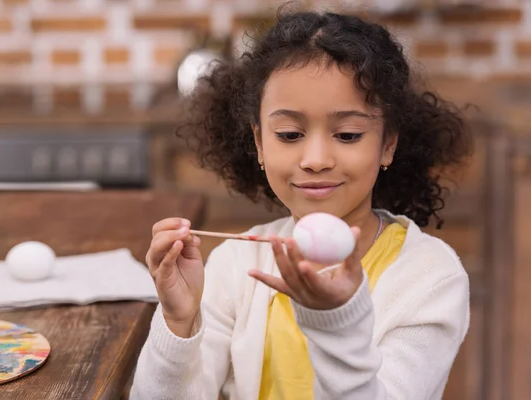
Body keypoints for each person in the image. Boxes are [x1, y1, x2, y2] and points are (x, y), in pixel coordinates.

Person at [130, 5, 473, 400]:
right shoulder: (235, 266)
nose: (315, 159)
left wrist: (336, 320)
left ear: (388, 143)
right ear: (259, 143)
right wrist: (178, 322)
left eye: (347, 135)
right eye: (290, 134)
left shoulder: (430, 278)